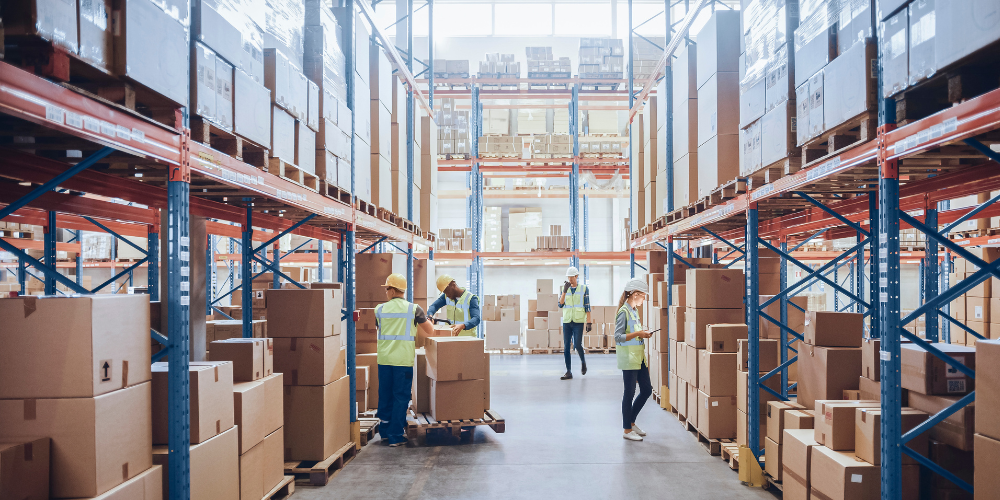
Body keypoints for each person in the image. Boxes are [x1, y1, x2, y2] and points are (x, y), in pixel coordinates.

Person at [376, 273, 434, 447]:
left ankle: (384, 432)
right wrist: (427, 320)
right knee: (400, 397)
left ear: (393, 291)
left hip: (384, 359)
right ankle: (395, 436)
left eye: (387, 289)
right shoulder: (414, 309)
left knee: (385, 394)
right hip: (402, 361)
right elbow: (430, 330)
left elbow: (379, 328)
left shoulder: (379, 309)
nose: (386, 292)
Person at [615, 278, 652, 442]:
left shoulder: (634, 310)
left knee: (646, 390)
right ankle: (627, 429)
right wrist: (639, 334)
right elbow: (618, 337)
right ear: (635, 294)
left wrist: (643, 332)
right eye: (643, 296)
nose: (644, 299)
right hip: (629, 359)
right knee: (629, 393)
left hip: (639, 358)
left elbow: (635, 332)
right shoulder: (623, 312)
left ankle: (632, 421)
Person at [558, 266, 592, 380]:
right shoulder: (564, 288)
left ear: (576, 276)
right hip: (567, 321)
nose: (570, 279)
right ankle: (568, 371)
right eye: (568, 277)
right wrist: (564, 291)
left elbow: (587, 306)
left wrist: (589, 322)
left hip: (578, 321)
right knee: (566, 346)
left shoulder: (584, 288)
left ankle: (583, 362)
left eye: (571, 277)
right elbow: (560, 304)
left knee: (577, 345)